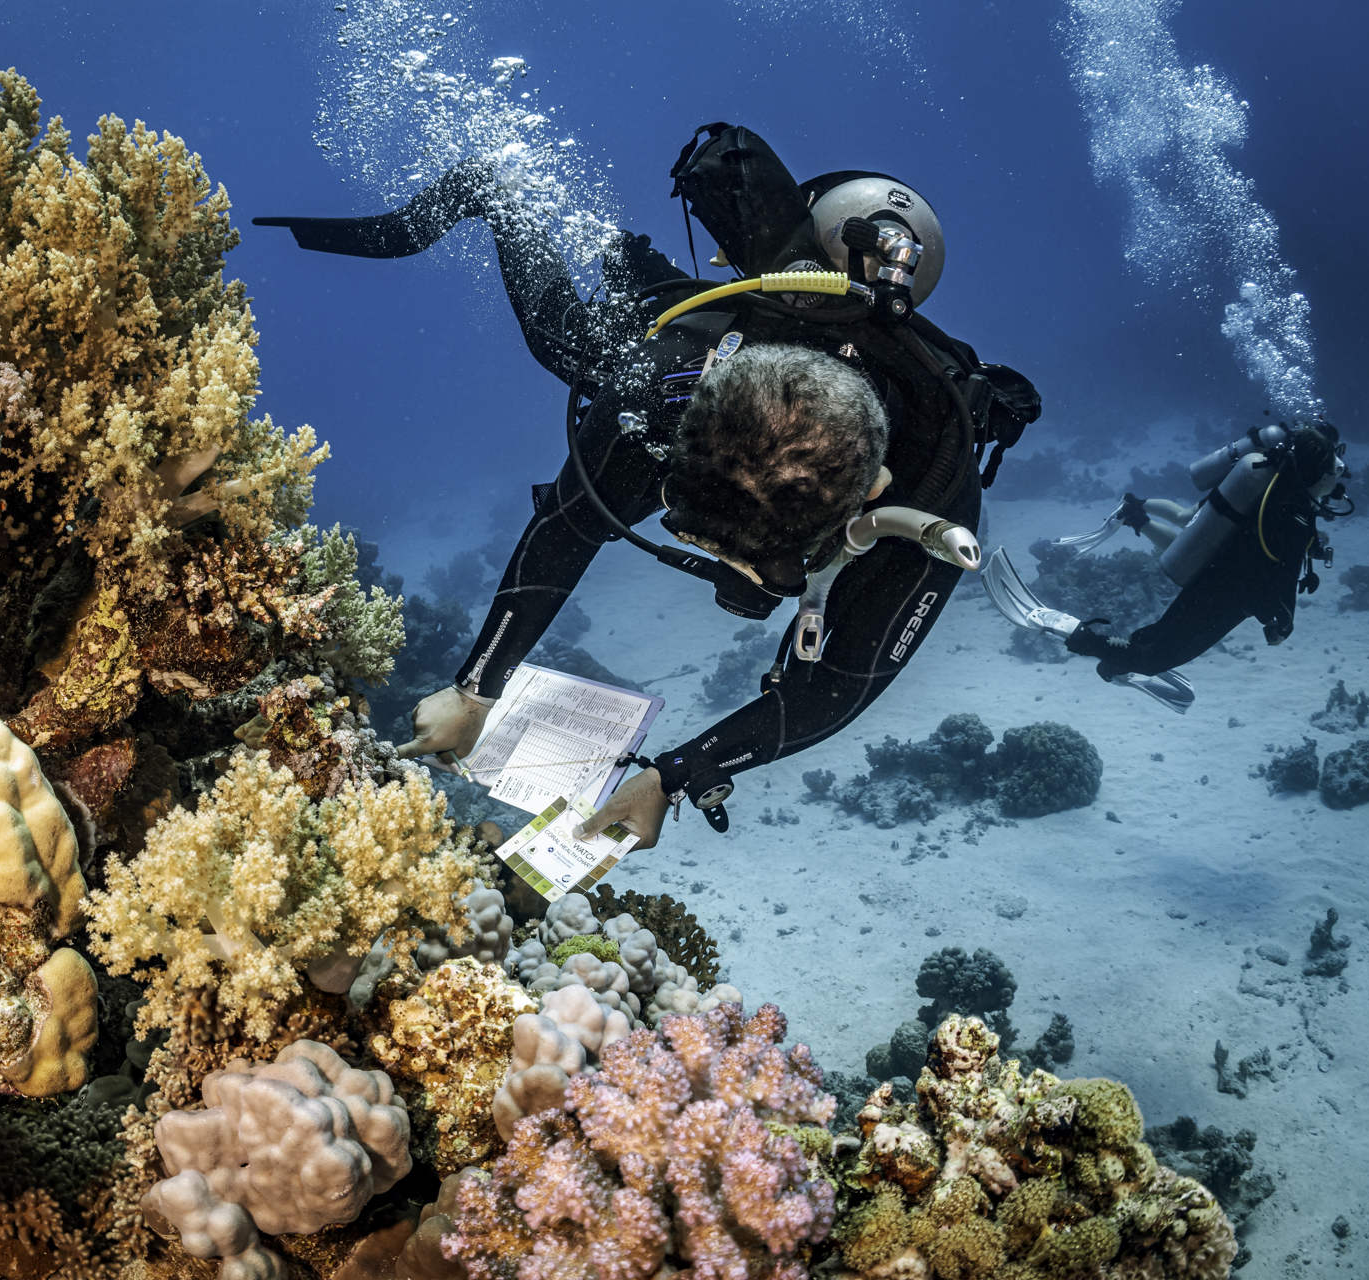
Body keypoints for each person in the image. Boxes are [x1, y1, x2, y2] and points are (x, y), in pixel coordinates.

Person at [256, 123, 1040, 847]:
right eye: (690, 529)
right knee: (566, 343)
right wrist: (476, 688)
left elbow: (842, 686)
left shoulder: (937, 502)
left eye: (764, 556)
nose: (727, 573)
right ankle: (493, 189)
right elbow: (569, 524)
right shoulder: (658, 387)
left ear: (867, 499)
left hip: (878, 440)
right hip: (689, 353)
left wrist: (677, 774)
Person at [1054, 420, 1348, 681]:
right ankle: (1082, 638)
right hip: (1227, 599)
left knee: (1157, 636)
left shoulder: (1279, 492)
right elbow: (1284, 578)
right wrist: (1284, 624)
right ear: (1321, 476)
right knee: (1152, 661)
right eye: (1336, 470)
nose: (1339, 481)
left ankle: (1114, 661)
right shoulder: (1295, 513)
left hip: (1213, 579)